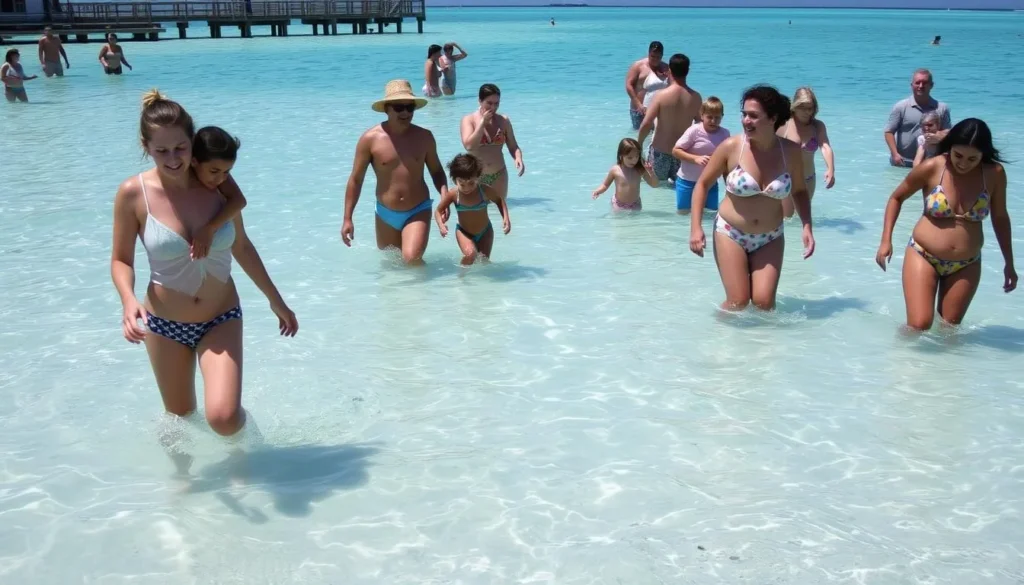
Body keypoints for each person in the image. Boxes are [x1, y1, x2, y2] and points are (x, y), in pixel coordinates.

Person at [110, 90, 298, 441]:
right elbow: (121, 259)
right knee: (179, 420)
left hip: (220, 317)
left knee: (223, 418)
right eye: (162, 150)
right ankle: (185, 474)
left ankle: (251, 453)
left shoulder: (218, 183)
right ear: (146, 147)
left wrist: (276, 300)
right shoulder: (133, 194)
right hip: (164, 324)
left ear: (193, 144)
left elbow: (242, 246)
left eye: (180, 148)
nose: (173, 159)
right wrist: (128, 300)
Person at [875, 118, 1015, 330]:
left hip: (967, 263)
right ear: (950, 147)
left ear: (983, 154)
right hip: (923, 254)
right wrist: (886, 241)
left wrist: (1009, 263)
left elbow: (1000, 218)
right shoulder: (933, 167)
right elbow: (896, 198)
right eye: (958, 155)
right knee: (918, 325)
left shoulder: (994, 174)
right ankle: (897, 352)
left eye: (972, 158)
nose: (963, 163)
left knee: (949, 331)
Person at [688, 85, 814, 311]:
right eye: (744, 114)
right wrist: (695, 228)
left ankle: (764, 337)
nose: (746, 120)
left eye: (753, 116)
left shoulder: (790, 151)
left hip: (771, 236)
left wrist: (807, 225)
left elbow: (799, 191)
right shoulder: (731, 147)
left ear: (773, 118)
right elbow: (702, 185)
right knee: (738, 302)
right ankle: (717, 333)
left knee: (764, 304)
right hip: (731, 232)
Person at [342, 79, 449, 265]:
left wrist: (445, 197)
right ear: (387, 109)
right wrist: (347, 218)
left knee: (412, 258)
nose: (405, 113)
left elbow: (437, 171)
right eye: (399, 107)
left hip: (418, 208)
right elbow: (356, 180)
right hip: (385, 212)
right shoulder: (369, 139)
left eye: (409, 107)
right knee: (392, 264)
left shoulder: (424, 137)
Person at [434, 153, 511, 265]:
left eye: (471, 183)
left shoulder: (484, 190)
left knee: (483, 261)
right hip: (463, 232)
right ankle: (462, 274)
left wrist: (506, 218)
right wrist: (441, 225)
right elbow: (437, 211)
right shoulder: (453, 194)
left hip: (485, 232)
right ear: (455, 180)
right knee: (470, 255)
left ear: (478, 177)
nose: (467, 188)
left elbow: (499, 201)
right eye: (462, 184)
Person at [638, 53, 701, 186]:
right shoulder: (696, 97)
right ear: (688, 71)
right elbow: (700, 125)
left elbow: (647, 123)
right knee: (679, 189)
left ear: (670, 70)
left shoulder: (661, 96)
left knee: (656, 190)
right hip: (681, 154)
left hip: (660, 153)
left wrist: (638, 145)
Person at [777, 87, 835, 218]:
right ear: (795, 106)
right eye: (802, 107)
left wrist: (831, 169)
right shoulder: (783, 125)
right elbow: (768, 146)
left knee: (802, 217)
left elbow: (825, 146)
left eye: (810, 108)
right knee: (787, 218)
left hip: (808, 179)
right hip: (786, 179)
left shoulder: (817, 126)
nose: (807, 112)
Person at [460, 84, 525, 200]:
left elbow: (513, 146)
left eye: (496, 103)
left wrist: (518, 158)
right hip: (475, 176)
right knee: (476, 209)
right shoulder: (469, 120)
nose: (493, 107)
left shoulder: (503, 121)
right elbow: (469, 146)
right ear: (480, 101)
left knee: (500, 207)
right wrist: (482, 124)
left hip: (499, 174)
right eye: (489, 103)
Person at [672, 96, 730, 214]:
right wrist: (695, 159)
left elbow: (726, 160)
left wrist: (728, 184)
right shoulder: (694, 131)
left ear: (722, 116)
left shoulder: (725, 134)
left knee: (710, 214)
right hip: (687, 182)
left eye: (717, 117)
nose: (713, 121)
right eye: (709, 117)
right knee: (684, 214)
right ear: (702, 115)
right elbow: (676, 151)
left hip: (710, 183)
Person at [884, 68, 950, 168]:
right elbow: (889, 132)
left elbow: (948, 133)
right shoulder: (901, 107)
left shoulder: (941, 108)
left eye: (925, 83)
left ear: (931, 85)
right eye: (917, 83)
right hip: (903, 162)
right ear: (912, 85)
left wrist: (938, 137)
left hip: (931, 164)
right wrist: (895, 154)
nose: (921, 86)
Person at [592, 138, 658, 212]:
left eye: (637, 157)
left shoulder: (640, 169)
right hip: (618, 204)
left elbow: (654, 185)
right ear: (621, 155)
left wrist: (651, 172)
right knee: (619, 220)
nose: (634, 160)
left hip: (635, 204)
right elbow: (605, 185)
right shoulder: (615, 170)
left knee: (637, 219)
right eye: (630, 158)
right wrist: (598, 191)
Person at [624, 41, 668, 130]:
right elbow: (629, 85)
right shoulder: (638, 66)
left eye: (658, 57)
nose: (655, 59)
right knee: (639, 134)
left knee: (657, 135)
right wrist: (638, 104)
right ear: (648, 53)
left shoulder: (666, 68)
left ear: (662, 55)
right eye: (652, 56)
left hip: (659, 111)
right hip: (640, 110)